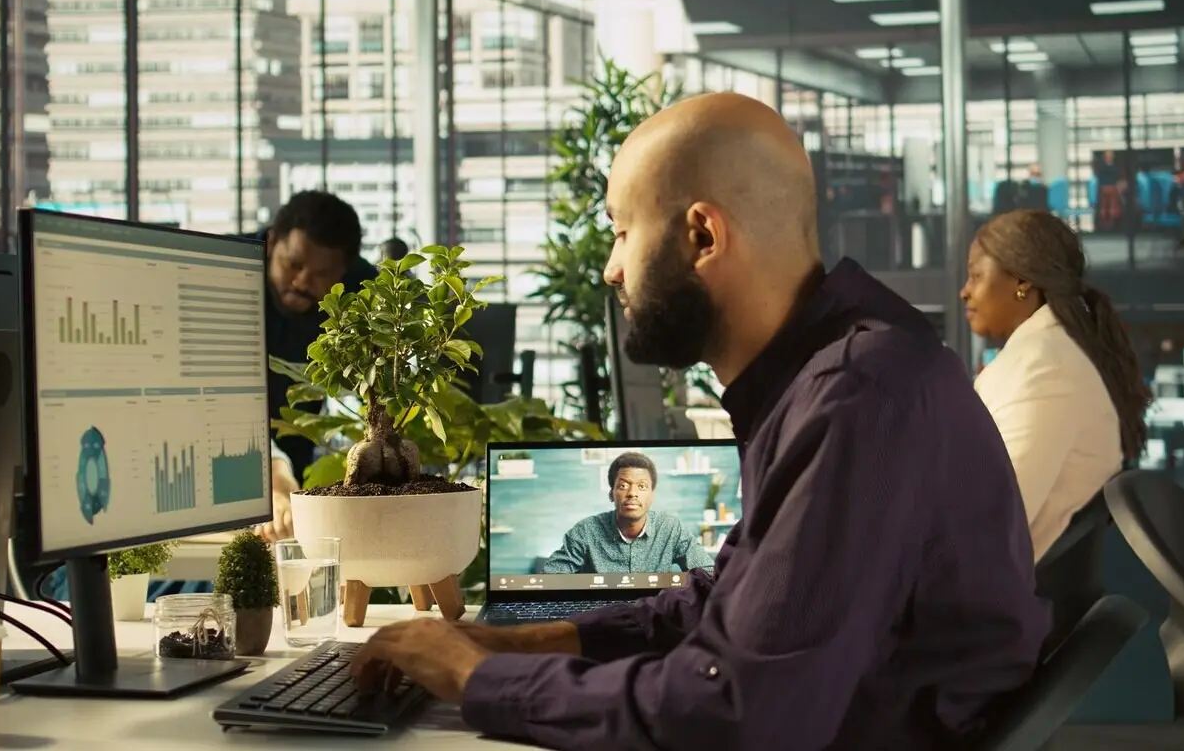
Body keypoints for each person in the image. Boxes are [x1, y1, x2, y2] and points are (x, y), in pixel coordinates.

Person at [348, 93, 1050, 750]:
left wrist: (475, 680)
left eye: (622, 234)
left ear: (703, 236)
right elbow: (730, 605)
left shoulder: (856, 398)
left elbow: (734, 710)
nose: (611, 271)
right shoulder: (828, 378)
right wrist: (513, 642)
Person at [961, 209, 1151, 560]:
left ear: (1022, 282)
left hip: (994, 599)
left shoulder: (1044, 370)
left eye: (975, 276)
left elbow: (993, 519)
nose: (964, 292)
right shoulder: (1048, 355)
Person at [252, 190, 377, 542]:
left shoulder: (363, 291)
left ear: (343, 272)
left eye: (321, 273)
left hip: (299, 443)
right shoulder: (229, 271)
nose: (303, 281)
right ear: (272, 242)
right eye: (293, 264)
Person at [542, 452, 712, 575]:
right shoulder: (586, 531)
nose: (632, 493)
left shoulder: (670, 529)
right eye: (623, 486)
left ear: (652, 496)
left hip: (653, 614)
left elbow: (708, 574)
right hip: (600, 615)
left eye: (642, 486)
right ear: (611, 494)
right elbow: (551, 577)